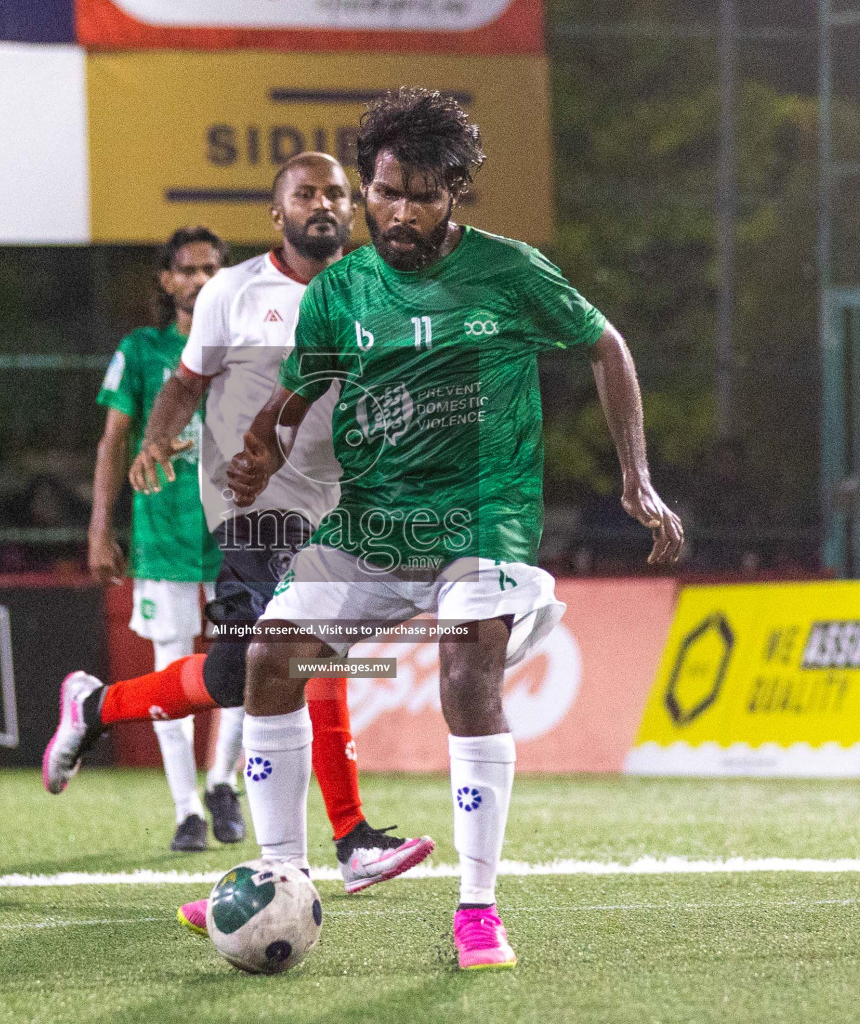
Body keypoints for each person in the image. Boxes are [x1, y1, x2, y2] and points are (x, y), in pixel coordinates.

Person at [225, 90, 684, 971]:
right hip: (369, 518)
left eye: (424, 195)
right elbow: (301, 390)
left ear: (457, 193)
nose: (401, 213)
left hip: (484, 513)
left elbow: (606, 345)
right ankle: (281, 877)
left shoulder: (511, 272)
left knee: (469, 671)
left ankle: (478, 908)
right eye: (386, 193)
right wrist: (260, 445)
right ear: (366, 188)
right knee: (268, 659)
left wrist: (637, 477)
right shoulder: (340, 290)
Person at [43, 152, 434, 921]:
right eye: (305, 193)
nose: (322, 204)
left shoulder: (378, 296)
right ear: (276, 212)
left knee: (230, 679)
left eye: (334, 194)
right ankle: (349, 839)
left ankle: (94, 709)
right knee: (309, 648)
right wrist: (157, 440)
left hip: (339, 511)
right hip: (254, 512)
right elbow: (186, 383)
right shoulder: (234, 290)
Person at [88, 225, 246, 852]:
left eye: (211, 269)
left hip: (241, 535)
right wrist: (101, 526)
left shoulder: (242, 348)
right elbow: (113, 440)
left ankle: (223, 783)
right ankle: (186, 809)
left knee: (246, 666)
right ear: (166, 279)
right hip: (164, 538)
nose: (199, 280)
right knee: (171, 671)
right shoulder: (142, 349)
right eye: (186, 269)